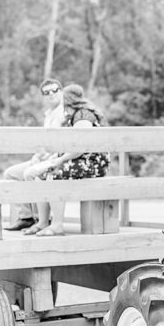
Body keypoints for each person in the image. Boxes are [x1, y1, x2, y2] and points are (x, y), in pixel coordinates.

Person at [26, 84, 109, 236]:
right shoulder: (74, 116)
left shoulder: (83, 116)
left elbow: (81, 148)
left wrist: (60, 160)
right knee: (40, 174)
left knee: (54, 173)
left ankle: (57, 225)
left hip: (93, 163)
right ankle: (43, 222)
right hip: (80, 160)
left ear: (69, 101)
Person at [2, 78, 66, 230]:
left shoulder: (64, 114)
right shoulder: (48, 115)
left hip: (58, 159)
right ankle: (26, 217)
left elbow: (61, 146)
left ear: (61, 92)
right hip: (44, 158)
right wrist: (37, 156)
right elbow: (44, 142)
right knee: (10, 174)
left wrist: (44, 158)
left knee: (30, 174)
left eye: (55, 90)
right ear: (43, 96)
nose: (51, 94)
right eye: (47, 92)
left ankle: (41, 220)